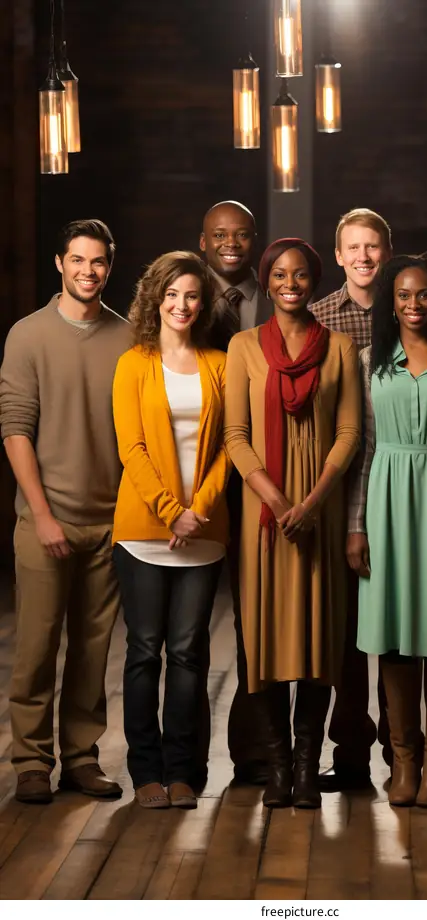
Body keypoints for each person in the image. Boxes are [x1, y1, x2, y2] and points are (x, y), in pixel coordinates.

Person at [224, 238, 361, 809]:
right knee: (266, 640)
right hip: (266, 520)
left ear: (314, 281)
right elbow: (235, 437)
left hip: (319, 518)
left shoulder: (341, 349)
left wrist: (311, 504)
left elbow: (349, 434)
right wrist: (280, 503)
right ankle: (277, 766)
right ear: (267, 278)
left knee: (317, 640)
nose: (289, 283)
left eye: (300, 275)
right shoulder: (243, 347)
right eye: (278, 274)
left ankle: (308, 766)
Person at [0, 219, 131, 804]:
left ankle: (81, 758)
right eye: (78, 260)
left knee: (93, 650)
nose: (88, 271)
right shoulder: (27, 336)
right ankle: (31, 761)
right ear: (60, 263)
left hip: (110, 522)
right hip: (44, 520)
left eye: (98, 261)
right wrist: (42, 512)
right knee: (35, 646)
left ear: (110, 266)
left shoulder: (128, 339)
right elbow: (15, 430)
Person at [348, 254, 427, 808]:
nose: (413, 304)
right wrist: (357, 526)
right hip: (386, 500)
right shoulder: (367, 361)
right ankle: (402, 760)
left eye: (423, 294)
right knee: (394, 636)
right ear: (390, 302)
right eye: (402, 295)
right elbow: (363, 450)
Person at [112, 251, 229, 809]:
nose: (182, 305)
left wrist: (195, 511)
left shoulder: (219, 363)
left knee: (188, 653)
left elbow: (231, 446)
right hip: (141, 531)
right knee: (144, 652)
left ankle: (184, 770)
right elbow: (130, 448)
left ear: (202, 304)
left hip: (203, 531)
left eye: (192, 296)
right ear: (156, 299)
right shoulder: (132, 363)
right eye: (173, 295)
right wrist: (168, 510)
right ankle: (145, 774)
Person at [310, 207, 393, 791]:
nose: (363, 257)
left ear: (386, 252)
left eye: (373, 247)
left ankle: (403, 749)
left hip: (398, 485)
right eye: (352, 248)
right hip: (339, 491)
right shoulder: (316, 319)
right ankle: (353, 757)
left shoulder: (409, 307)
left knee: (394, 625)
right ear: (338, 256)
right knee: (343, 634)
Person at [200, 200, 272, 785]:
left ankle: (255, 752)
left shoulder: (275, 294)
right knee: (189, 629)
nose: (231, 243)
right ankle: (184, 760)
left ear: (255, 240)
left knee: (256, 620)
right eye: (219, 235)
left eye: (241, 234)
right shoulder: (184, 298)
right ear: (203, 242)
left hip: (261, 475)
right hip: (199, 476)